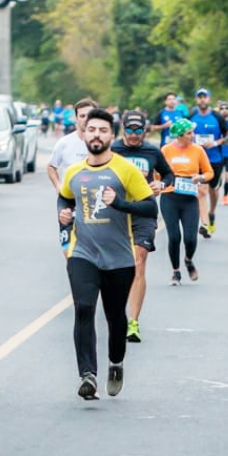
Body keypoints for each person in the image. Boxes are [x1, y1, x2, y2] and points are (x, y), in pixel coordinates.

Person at [59, 108, 158, 400]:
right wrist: (63, 215)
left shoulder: (124, 169)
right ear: (84, 134)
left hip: (119, 257)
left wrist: (120, 204)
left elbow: (150, 208)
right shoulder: (74, 172)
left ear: (111, 136)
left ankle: (116, 363)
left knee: (116, 318)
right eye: (92, 130)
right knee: (84, 308)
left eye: (103, 131)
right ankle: (87, 375)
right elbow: (64, 196)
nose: (97, 135)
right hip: (82, 252)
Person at [111, 111, 175, 343]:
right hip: (116, 212)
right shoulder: (113, 150)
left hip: (144, 212)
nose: (134, 134)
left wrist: (161, 183)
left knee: (139, 261)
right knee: (116, 266)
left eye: (139, 130)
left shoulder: (152, 151)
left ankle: (133, 322)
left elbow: (169, 174)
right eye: (130, 129)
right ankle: (115, 312)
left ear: (145, 131)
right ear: (123, 129)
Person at [160, 118, 213, 285]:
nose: (193, 135)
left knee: (190, 238)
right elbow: (158, 172)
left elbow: (209, 172)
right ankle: (176, 272)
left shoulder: (198, 150)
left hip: (190, 198)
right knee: (174, 237)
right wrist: (159, 183)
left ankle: (188, 260)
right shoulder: (166, 150)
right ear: (180, 135)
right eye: (189, 133)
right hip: (170, 196)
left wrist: (201, 177)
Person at [48, 98, 99, 251]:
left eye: (89, 115)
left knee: (93, 248)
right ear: (76, 118)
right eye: (82, 116)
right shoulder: (64, 143)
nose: (85, 119)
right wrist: (58, 185)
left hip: (95, 200)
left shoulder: (103, 143)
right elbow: (51, 166)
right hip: (69, 199)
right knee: (68, 250)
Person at [189, 88, 228, 237]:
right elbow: (185, 134)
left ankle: (211, 212)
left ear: (209, 99)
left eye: (204, 97)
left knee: (213, 190)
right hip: (197, 158)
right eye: (199, 97)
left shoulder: (217, 117)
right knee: (201, 191)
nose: (202, 100)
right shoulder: (192, 115)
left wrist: (216, 143)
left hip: (215, 159)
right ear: (196, 100)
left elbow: (227, 136)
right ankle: (204, 224)